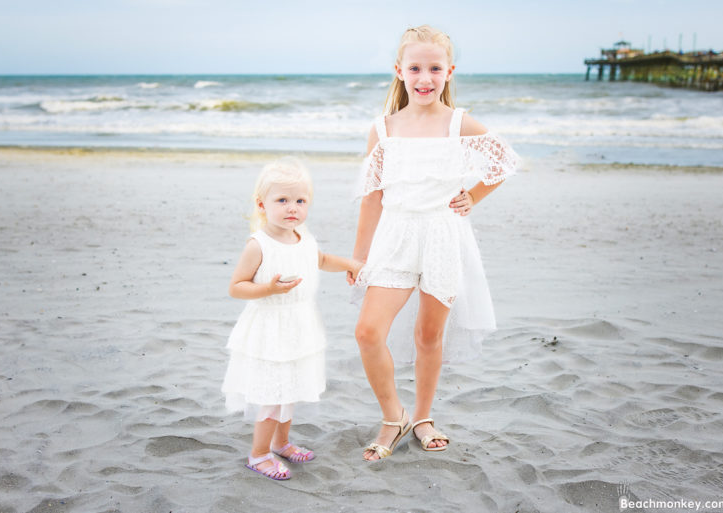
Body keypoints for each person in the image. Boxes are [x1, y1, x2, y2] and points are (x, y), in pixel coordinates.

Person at [347, 25, 520, 461]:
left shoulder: (459, 123)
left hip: (443, 234)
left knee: (429, 334)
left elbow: (503, 161)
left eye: (435, 69)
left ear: (449, 72)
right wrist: (359, 256)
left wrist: (473, 196)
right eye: (416, 68)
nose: (425, 78)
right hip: (395, 235)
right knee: (368, 332)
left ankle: (422, 417)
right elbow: (372, 200)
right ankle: (394, 416)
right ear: (399, 71)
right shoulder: (382, 129)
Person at [223, 158, 363, 480]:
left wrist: (351, 265)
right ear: (262, 204)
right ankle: (259, 454)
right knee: (272, 396)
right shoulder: (259, 245)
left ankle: (281, 442)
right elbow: (236, 287)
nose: (292, 208)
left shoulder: (303, 237)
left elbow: (322, 260)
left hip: (301, 326)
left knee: (290, 390)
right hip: (271, 329)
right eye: (282, 200)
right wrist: (268, 288)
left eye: (300, 201)